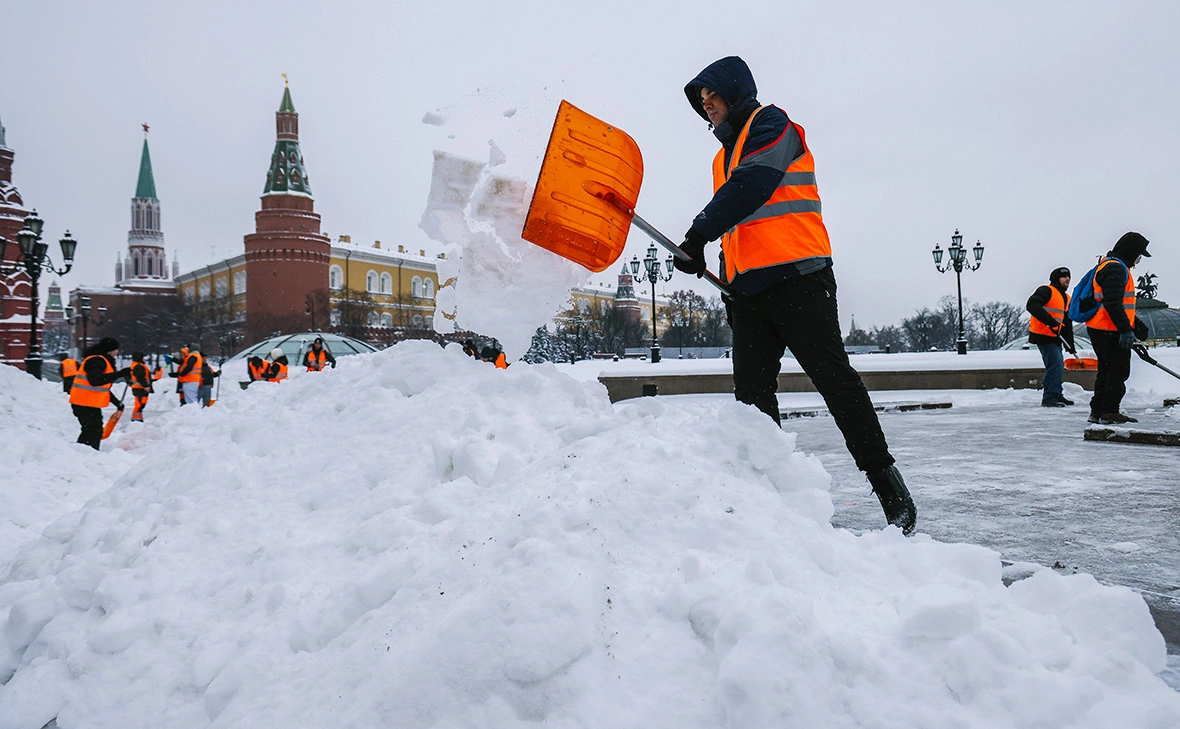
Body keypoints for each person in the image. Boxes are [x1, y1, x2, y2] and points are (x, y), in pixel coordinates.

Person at [677, 56, 915, 534]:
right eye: (702, 103)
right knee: (752, 399)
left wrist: (697, 232)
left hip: (799, 278)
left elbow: (756, 186)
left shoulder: (773, 125)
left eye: (713, 96)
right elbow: (739, 224)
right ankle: (769, 499)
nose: (707, 107)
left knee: (834, 382)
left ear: (736, 93)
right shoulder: (720, 158)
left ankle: (889, 487)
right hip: (747, 292)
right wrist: (715, 264)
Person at [1087, 232, 1151, 424]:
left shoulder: (1111, 265)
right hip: (1109, 329)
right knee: (1117, 370)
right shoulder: (1115, 268)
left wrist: (1136, 326)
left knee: (1107, 370)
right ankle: (1109, 411)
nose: (1139, 259)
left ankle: (1098, 411)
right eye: (1139, 254)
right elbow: (1113, 303)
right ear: (1130, 251)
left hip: (1104, 327)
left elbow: (1118, 303)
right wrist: (1125, 330)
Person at [1026, 267, 1076, 407]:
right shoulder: (1046, 291)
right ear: (1056, 279)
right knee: (1056, 365)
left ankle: (1056, 394)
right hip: (1043, 335)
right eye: (1064, 277)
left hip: (1055, 336)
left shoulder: (1066, 298)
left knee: (1058, 365)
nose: (1067, 279)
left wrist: (1070, 345)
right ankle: (1049, 397)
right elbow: (1032, 305)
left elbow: (1067, 322)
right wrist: (1050, 322)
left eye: (1068, 277)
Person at [68, 337, 130, 450]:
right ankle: (86, 455)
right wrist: (119, 374)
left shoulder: (101, 360)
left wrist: (117, 403)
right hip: (84, 403)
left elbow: (102, 387)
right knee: (93, 431)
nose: (117, 352)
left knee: (91, 431)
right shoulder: (96, 361)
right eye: (116, 349)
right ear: (109, 350)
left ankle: (81, 454)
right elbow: (96, 380)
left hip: (86, 403)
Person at [129, 351, 154, 422]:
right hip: (140, 388)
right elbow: (140, 377)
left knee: (140, 403)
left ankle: (137, 418)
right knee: (140, 404)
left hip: (139, 388)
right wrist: (146, 386)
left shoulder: (136, 365)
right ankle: (136, 419)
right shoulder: (138, 366)